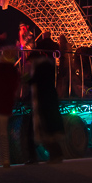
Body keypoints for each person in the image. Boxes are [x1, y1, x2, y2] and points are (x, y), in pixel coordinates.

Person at [28, 35, 64, 163]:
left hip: (44, 99)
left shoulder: (42, 66)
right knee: (47, 129)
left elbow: (36, 80)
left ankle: (56, 154)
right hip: (48, 98)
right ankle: (56, 154)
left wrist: (27, 81)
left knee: (46, 129)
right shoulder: (48, 65)